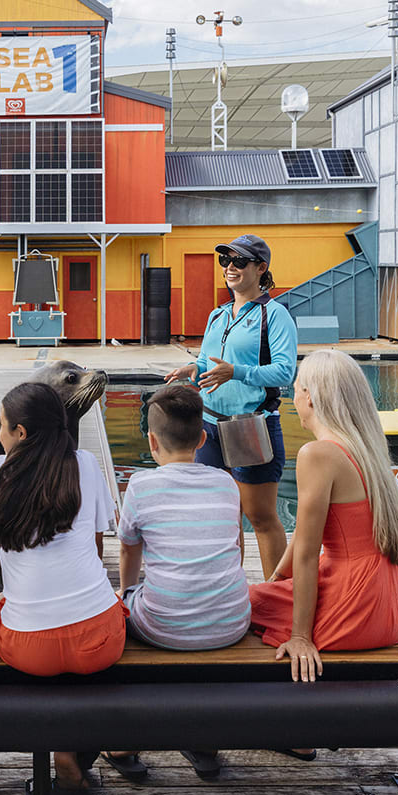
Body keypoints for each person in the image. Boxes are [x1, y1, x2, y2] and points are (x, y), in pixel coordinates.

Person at [0, 381, 122, 792]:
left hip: (29, 648)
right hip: (101, 639)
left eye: (2, 424)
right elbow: (96, 548)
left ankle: (60, 753)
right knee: (86, 632)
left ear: (20, 433)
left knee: (7, 607)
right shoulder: (85, 464)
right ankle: (73, 751)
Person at [249, 348, 398, 689]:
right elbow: (303, 533)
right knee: (263, 595)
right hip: (394, 604)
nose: (291, 396)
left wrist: (300, 636)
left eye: (295, 388)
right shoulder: (366, 448)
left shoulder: (318, 454)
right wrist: (278, 578)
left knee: (235, 607)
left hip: (355, 607)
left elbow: (309, 554)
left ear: (310, 397)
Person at [107, 383, 251, 782]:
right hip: (231, 622)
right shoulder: (225, 482)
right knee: (190, 603)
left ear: (151, 440)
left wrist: (126, 592)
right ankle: (203, 742)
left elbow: (129, 552)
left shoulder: (141, 485)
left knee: (127, 614)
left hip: (165, 625)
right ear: (203, 438)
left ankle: (125, 742)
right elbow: (236, 551)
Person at [164, 233, 298, 581]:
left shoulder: (275, 315)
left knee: (261, 517)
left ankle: (277, 597)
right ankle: (229, 593)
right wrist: (193, 370)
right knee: (222, 516)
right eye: (226, 261)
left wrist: (235, 372)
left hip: (251, 425)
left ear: (260, 268)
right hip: (209, 427)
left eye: (239, 261)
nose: (230, 267)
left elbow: (285, 370)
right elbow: (209, 362)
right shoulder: (218, 314)